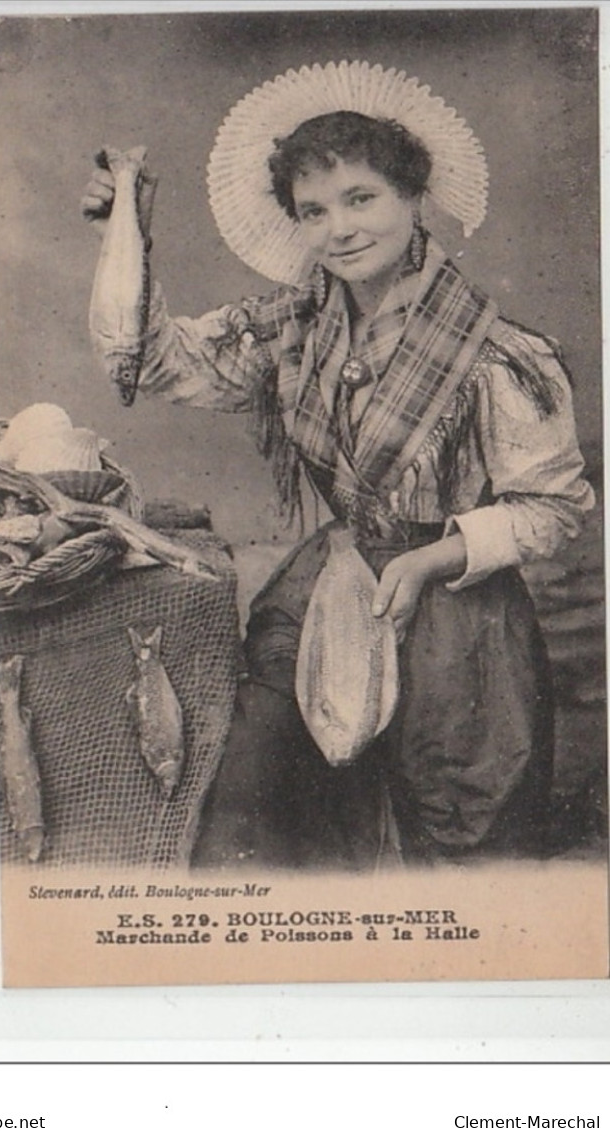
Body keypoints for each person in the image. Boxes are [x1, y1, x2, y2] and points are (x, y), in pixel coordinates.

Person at [82, 61, 594, 871]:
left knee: (466, 846)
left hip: (459, 617)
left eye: (362, 199)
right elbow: (148, 363)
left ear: (413, 198)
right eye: (313, 211)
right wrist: (129, 234)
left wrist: (431, 558)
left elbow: (552, 509)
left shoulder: (499, 354)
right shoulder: (289, 325)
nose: (340, 229)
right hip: (332, 583)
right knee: (262, 812)